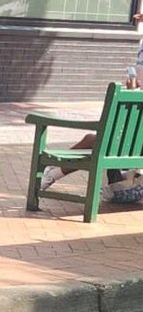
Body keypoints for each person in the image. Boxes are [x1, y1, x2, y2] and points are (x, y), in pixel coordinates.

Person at [39, 12, 143, 205]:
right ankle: (52, 174)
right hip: (134, 146)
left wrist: (133, 85)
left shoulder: (136, 79)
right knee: (98, 140)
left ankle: (51, 173)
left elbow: (135, 82)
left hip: (129, 147)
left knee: (97, 141)